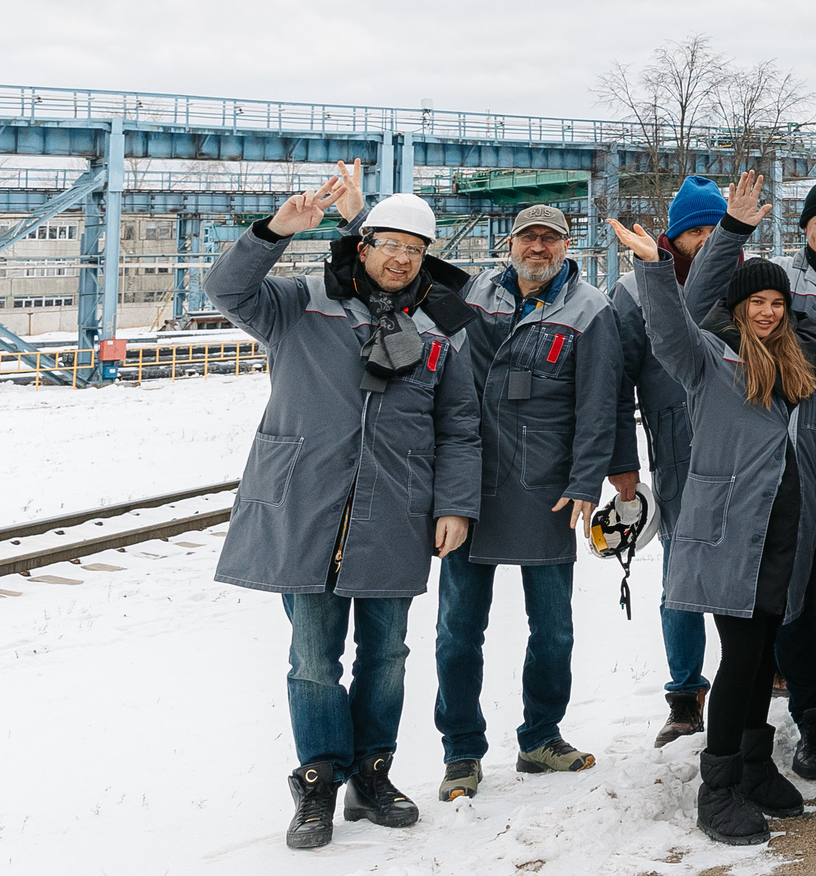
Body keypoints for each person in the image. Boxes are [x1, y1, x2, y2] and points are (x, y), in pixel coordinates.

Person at [205, 164, 479, 852]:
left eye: (415, 250)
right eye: (388, 243)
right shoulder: (302, 303)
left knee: (386, 654)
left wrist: (455, 503)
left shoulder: (441, 327)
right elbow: (225, 287)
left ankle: (372, 773)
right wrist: (274, 231)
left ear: (426, 260)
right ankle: (319, 780)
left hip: (396, 513)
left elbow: (461, 423)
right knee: (313, 659)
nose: (400, 258)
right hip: (308, 510)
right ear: (363, 245)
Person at [607, 168, 816, 848]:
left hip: (781, 526)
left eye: (777, 301)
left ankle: (752, 759)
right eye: (757, 303)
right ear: (738, 311)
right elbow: (672, 320)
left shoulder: (796, 369)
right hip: (727, 533)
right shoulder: (707, 360)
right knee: (741, 655)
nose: (769, 311)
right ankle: (718, 786)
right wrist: (714, 241)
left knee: (765, 641)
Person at [431, 204, 622, 800]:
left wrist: (585, 482)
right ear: (509, 242)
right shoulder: (475, 294)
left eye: (550, 239)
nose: (537, 248)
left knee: (554, 630)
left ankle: (541, 737)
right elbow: (400, 269)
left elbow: (600, 405)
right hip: (470, 485)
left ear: (567, 246)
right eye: (527, 237)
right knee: (458, 631)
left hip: (546, 489)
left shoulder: (590, 311)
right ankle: (461, 751)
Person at [606, 173, 747, 747]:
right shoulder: (635, 290)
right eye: (698, 230)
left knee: (758, 560)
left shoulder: (749, 282)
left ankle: (766, 664)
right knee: (681, 574)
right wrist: (622, 463)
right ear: (676, 235)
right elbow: (614, 383)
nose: (710, 238)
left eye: (719, 227)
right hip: (677, 449)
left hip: (748, 446)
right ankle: (686, 693)